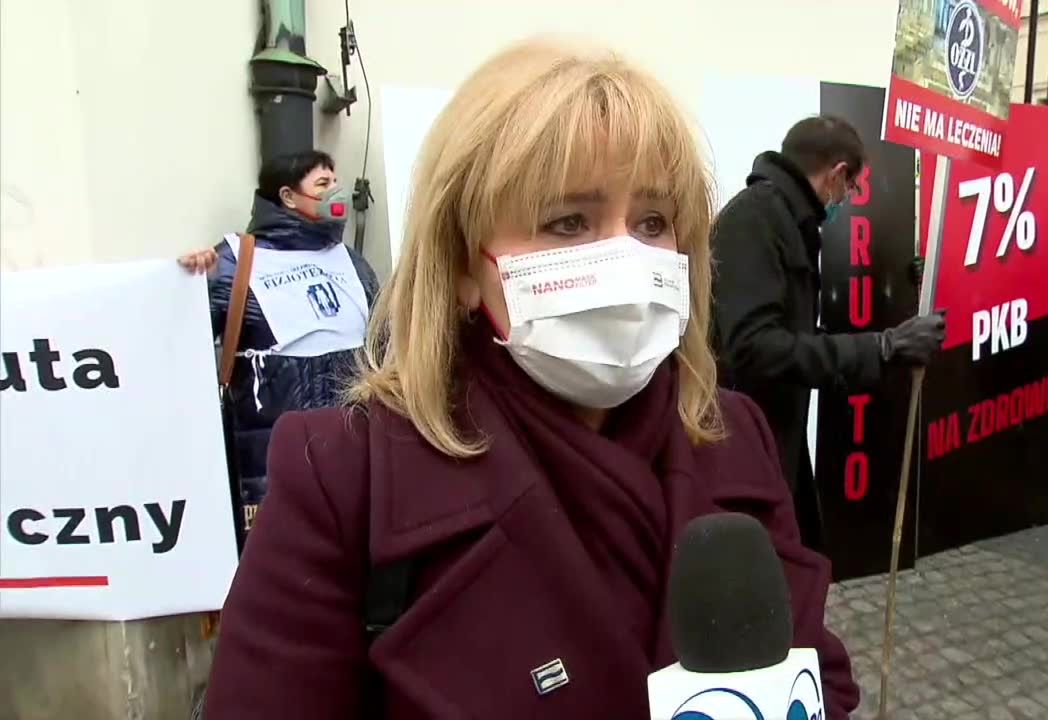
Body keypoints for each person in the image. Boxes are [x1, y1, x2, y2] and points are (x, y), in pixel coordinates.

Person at [203, 39, 859, 718]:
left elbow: (819, 674)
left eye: (653, 222)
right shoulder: (342, 478)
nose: (624, 260)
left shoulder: (735, 436)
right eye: (568, 221)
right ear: (464, 265)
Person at [710, 116, 946, 548]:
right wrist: (882, 348)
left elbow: (794, 335)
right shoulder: (756, 218)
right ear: (837, 174)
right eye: (851, 187)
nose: (847, 199)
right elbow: (755, 347)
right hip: (742, 453)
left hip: (776, 441)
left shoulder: (788, 221)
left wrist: (885, 346)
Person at [178, 150, 379, 530]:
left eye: (335, 182)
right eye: (323, 184)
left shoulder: (350, 261)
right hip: (273, 457)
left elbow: (383, 342)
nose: (335, 192)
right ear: (288, 196)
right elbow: (183, 339)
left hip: (352, 451)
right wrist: (187, 281)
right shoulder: (235, 261)